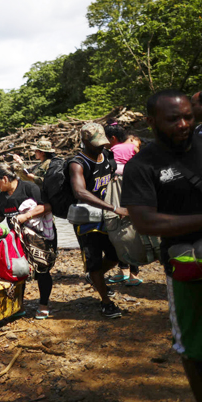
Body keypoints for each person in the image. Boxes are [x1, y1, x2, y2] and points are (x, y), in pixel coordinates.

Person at [122, 90, 202, 400]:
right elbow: (145, 222)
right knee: (194, 348)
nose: (182, 124)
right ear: (151, 121)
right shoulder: (142, 166)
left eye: (188, 117)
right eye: (173, 119)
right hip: (186, 267)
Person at [68, 122, 127, 319]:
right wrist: (113, 207)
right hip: (86, 220)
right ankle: (106, 303)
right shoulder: (78, 163)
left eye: (103, 142)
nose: (101, 146)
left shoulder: (107, 156)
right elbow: (80, 192)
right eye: (96, 143)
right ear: (84, 141)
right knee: (93, 261)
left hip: (106, 216)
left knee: (115, 255)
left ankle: (95, 276)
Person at [0, 165, 54, 319]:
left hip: (38, 237)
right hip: (16, 238)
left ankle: (43, 305)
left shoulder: (29, 188)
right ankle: (18, 305)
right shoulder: (1, 195)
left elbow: (47, 206)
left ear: (5, 179)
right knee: (17, 270)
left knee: (42, 270)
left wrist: (26, 216)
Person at [104, 122, 141, 286]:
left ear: (112, 138)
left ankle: (127, 271)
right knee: (133, 230)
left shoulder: (110, 151)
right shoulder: (133, 148)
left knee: (118, 231)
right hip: (134, 192)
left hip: (115, 193)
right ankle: (132, 273)